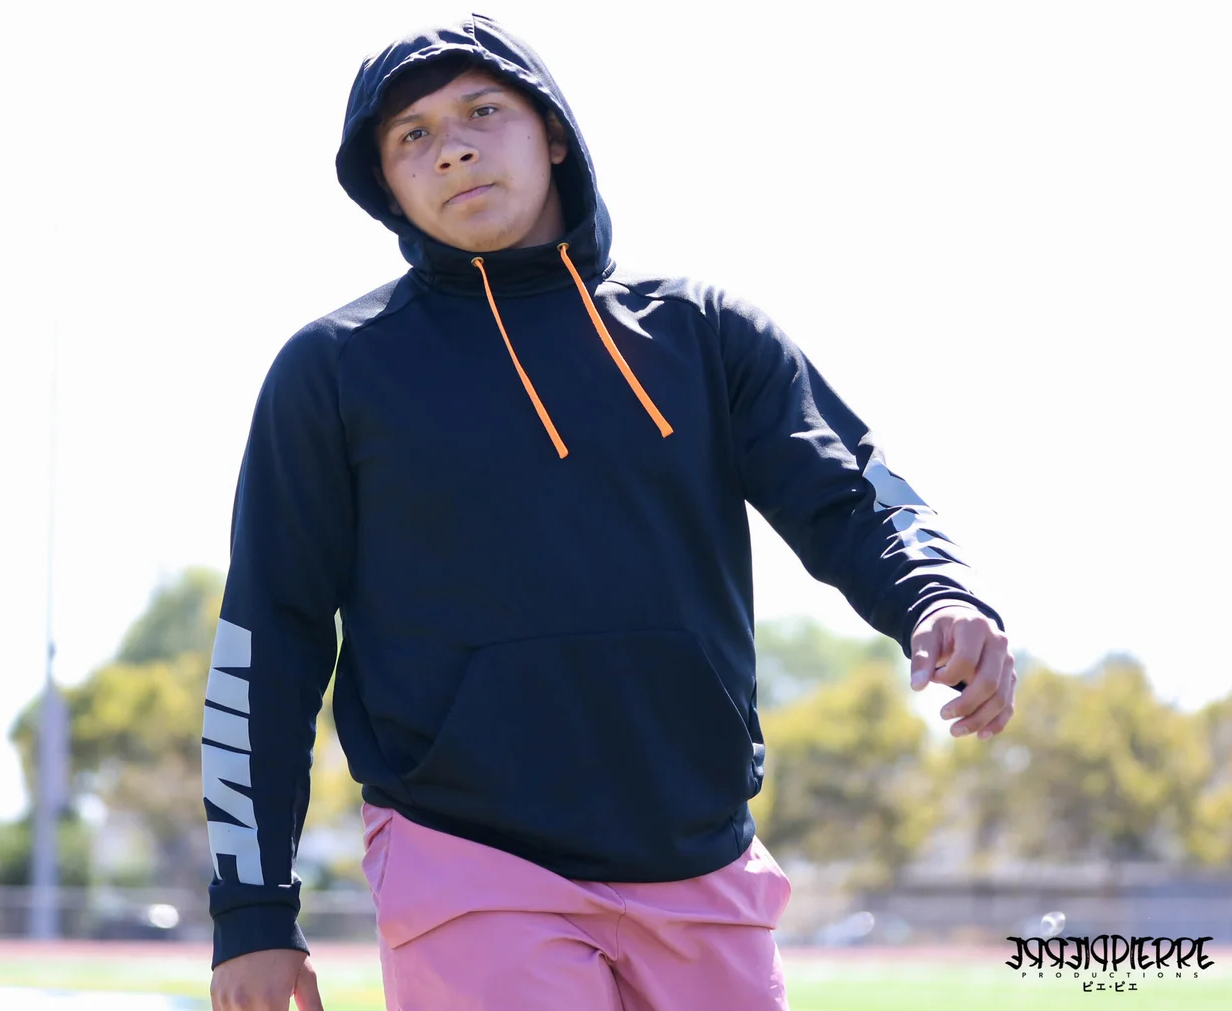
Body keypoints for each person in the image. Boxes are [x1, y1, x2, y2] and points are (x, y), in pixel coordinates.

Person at [203, 14, 1017, 1011]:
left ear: (552, 132)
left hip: (702, 856)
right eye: (412, 135)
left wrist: (939, 592)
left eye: (482, 111)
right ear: (385, 183)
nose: (452, 148)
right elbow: (270, 637)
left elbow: (850, 492)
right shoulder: (334, 372)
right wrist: (252, 910)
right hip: (468, 862)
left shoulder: (704, 333)